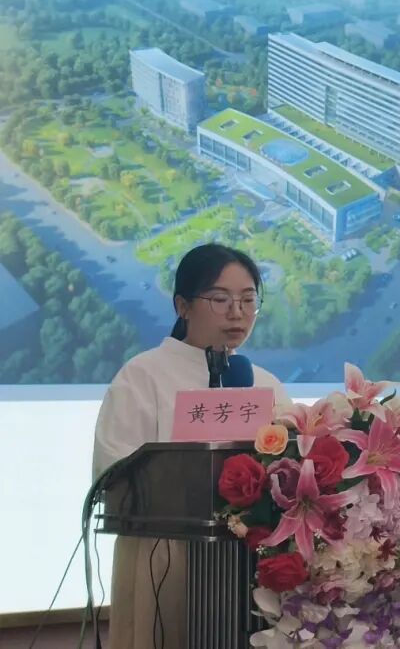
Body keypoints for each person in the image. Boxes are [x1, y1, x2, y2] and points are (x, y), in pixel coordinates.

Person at [93, 243, 290, 649]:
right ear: (182, 306)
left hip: (247, 565)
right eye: (220, 299)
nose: (237, 312)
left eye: (248, 299)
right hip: (164, 559)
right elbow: (111, 474)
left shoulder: (266, 383)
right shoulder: (142, 376)